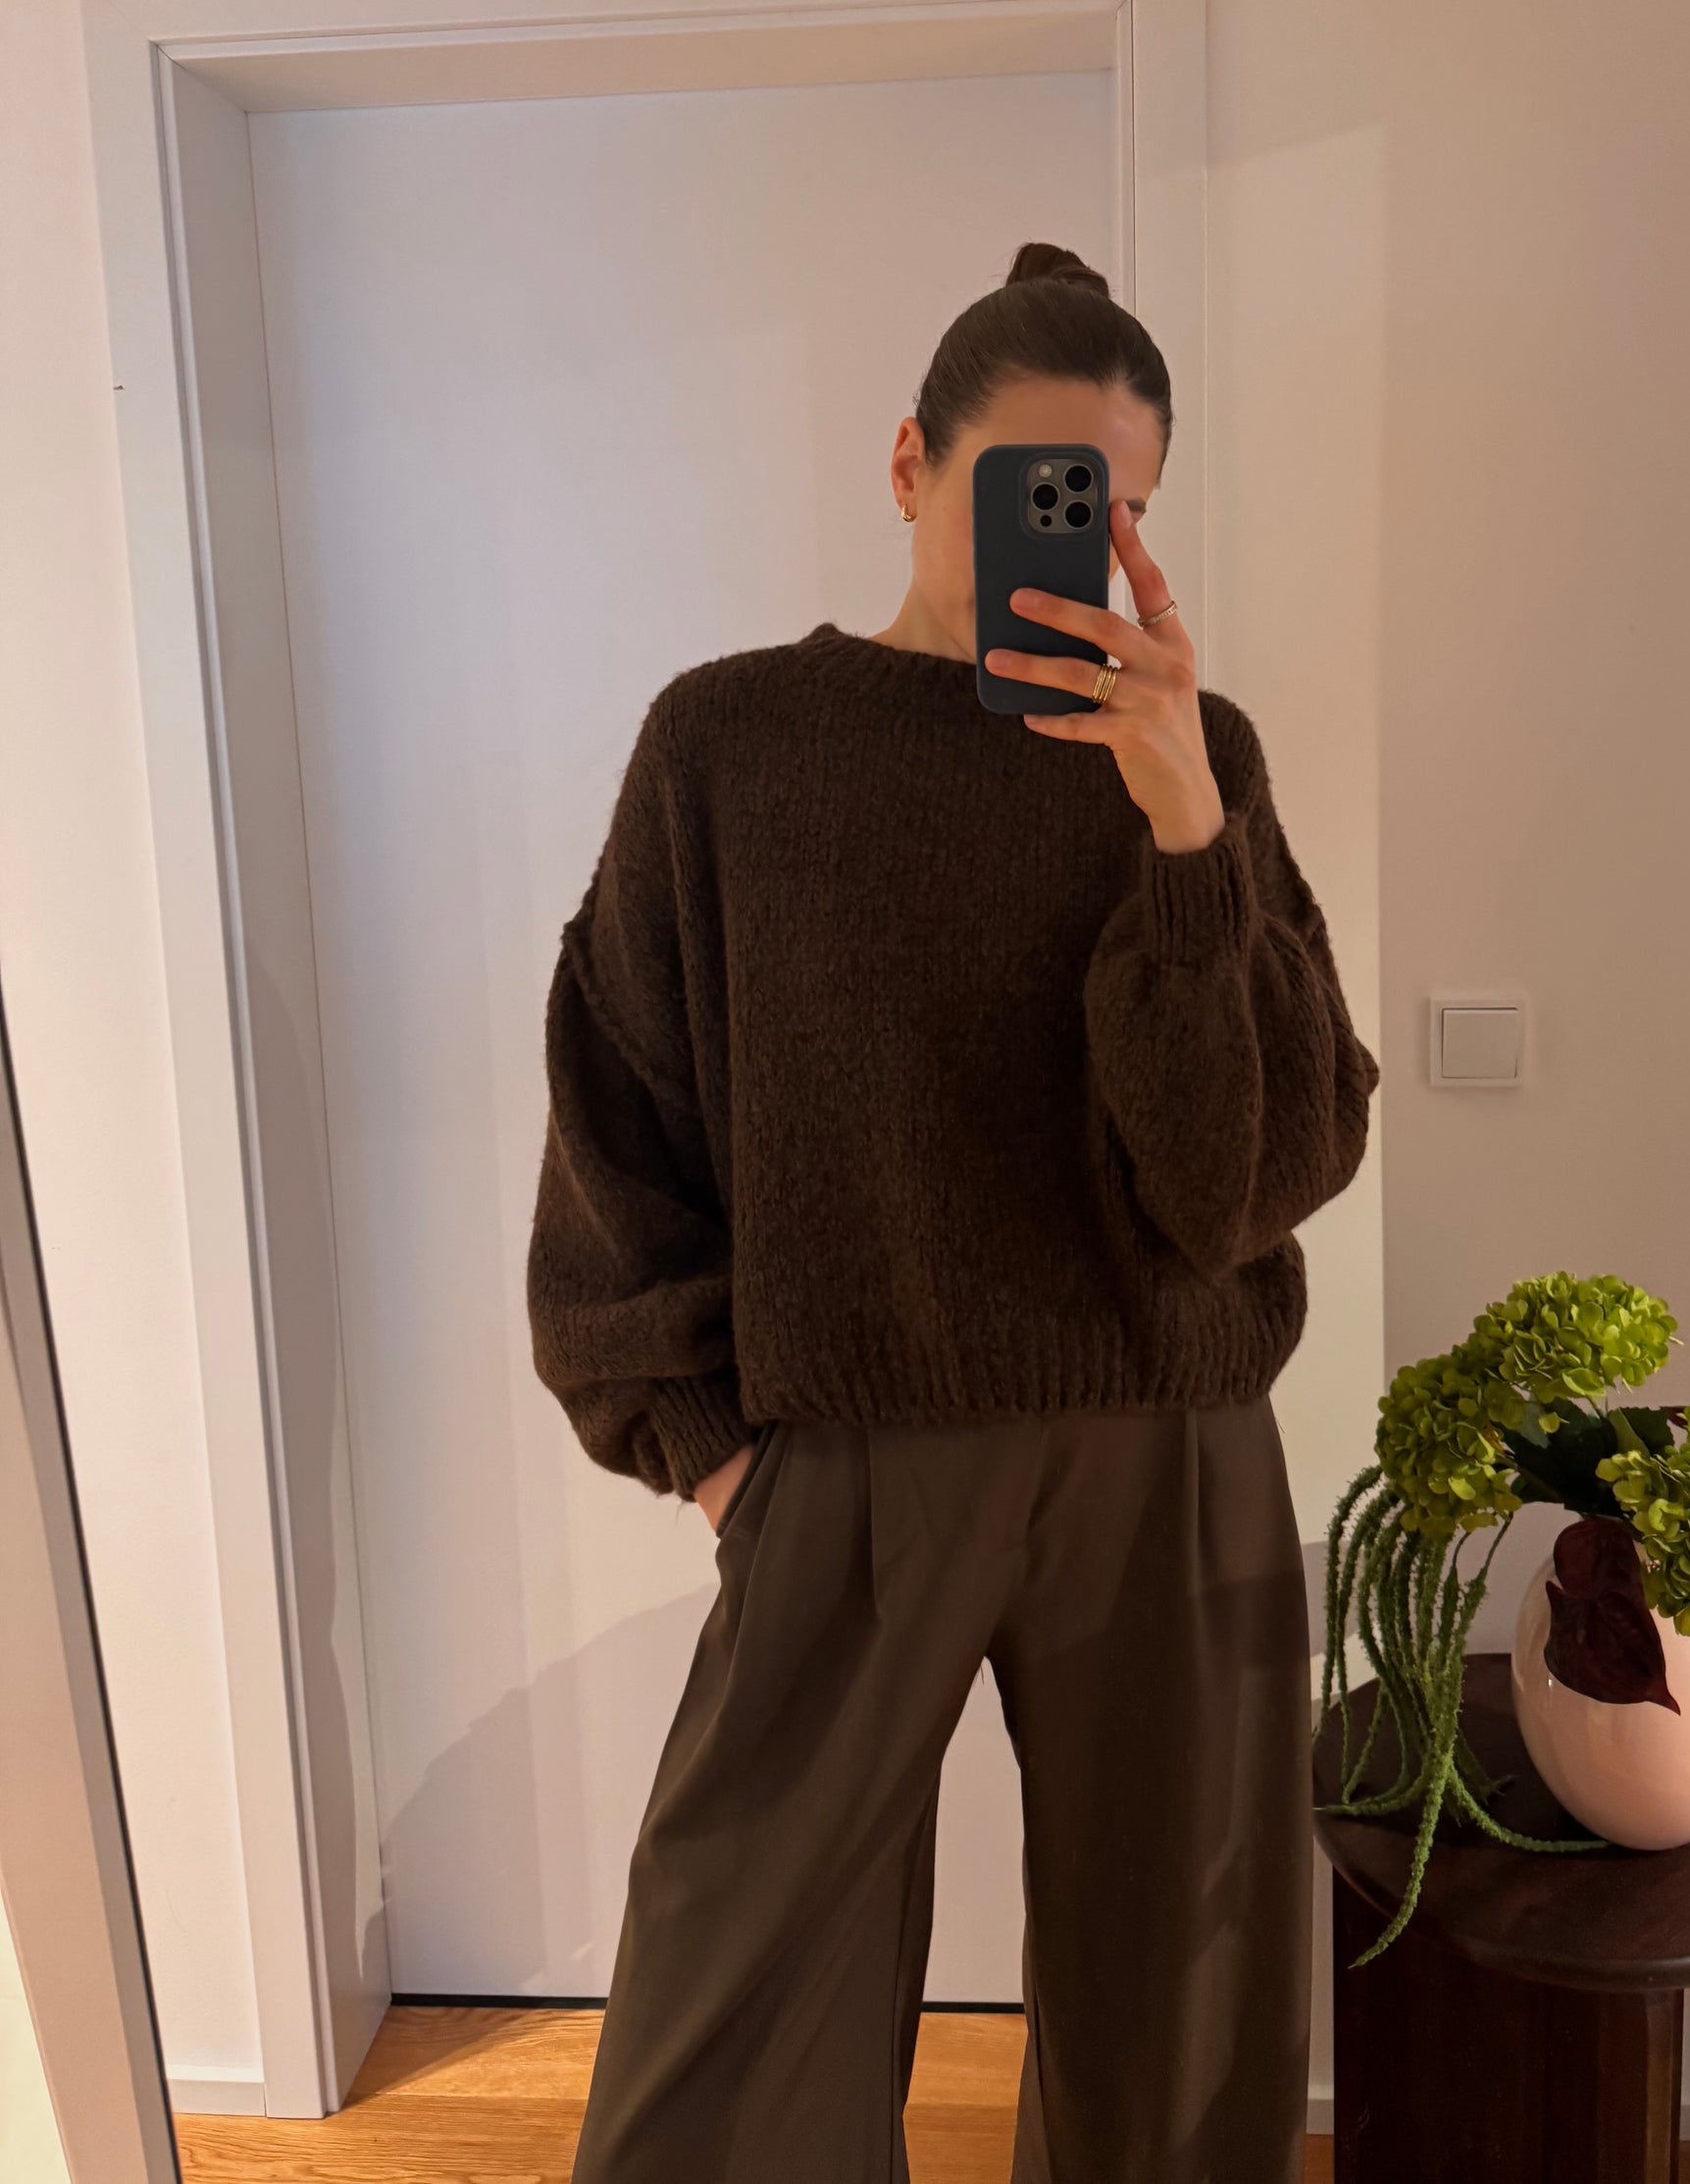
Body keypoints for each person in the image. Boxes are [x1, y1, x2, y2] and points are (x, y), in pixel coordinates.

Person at [525, 239, 1381, 2184]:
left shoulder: (1197, 756)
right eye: (1036, 488)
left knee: (1180, 2006)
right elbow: (619, 1110)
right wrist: (711, 1448)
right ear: (912, 463)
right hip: (847, 1455)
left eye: (1120, 505)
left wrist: (1183, 827)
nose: (1081, 541)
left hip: (1166, 1449)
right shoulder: (728, 745)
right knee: (732, 2025)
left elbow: (1249, 1183)